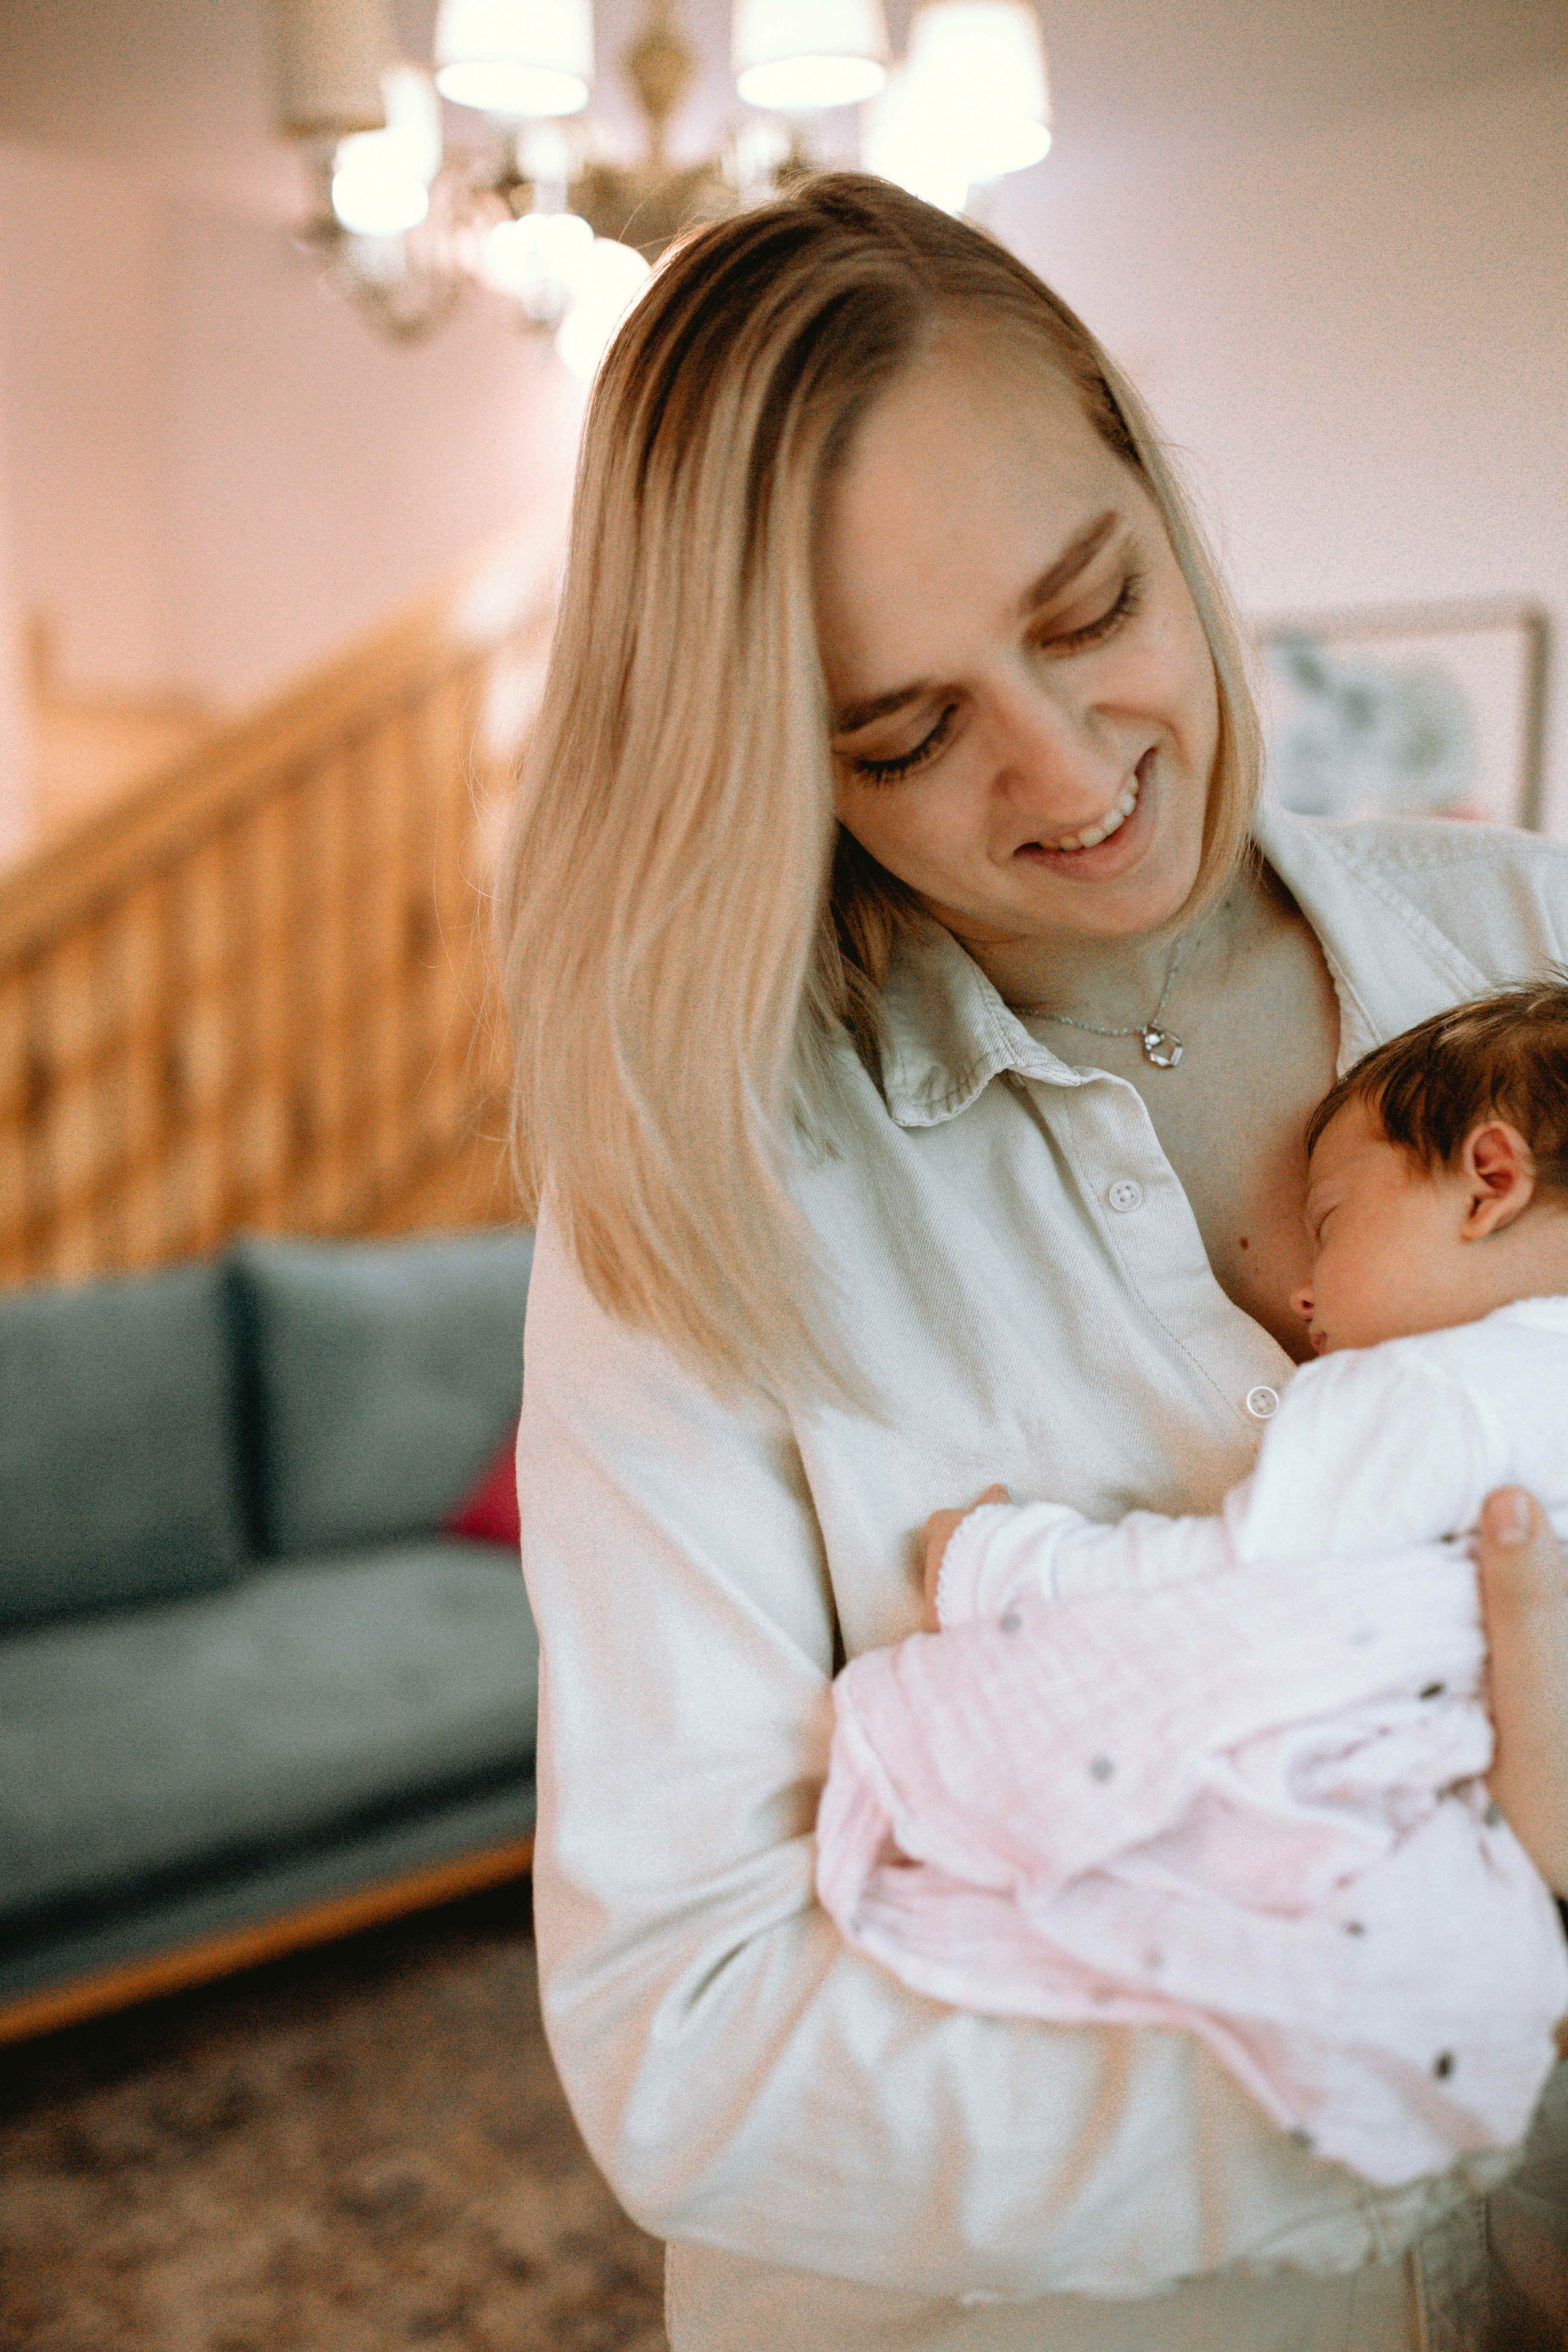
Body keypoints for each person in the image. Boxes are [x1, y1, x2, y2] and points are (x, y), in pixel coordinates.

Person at [499, 173, 1568, 2350]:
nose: (1070, 773)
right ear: (769, 766)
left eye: (1093, 610)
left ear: (1155, 495)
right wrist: (1454, 2006)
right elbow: (688, 2043)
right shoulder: (700, 1194)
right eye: (902, 731)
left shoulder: (1541, 950)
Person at [817, 983, 1568, 2197]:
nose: (1303, 1292)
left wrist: (998, 1561)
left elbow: (1234, 1586)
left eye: (1328, 1224)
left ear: (1486, 1180)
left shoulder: (1432, 1390)